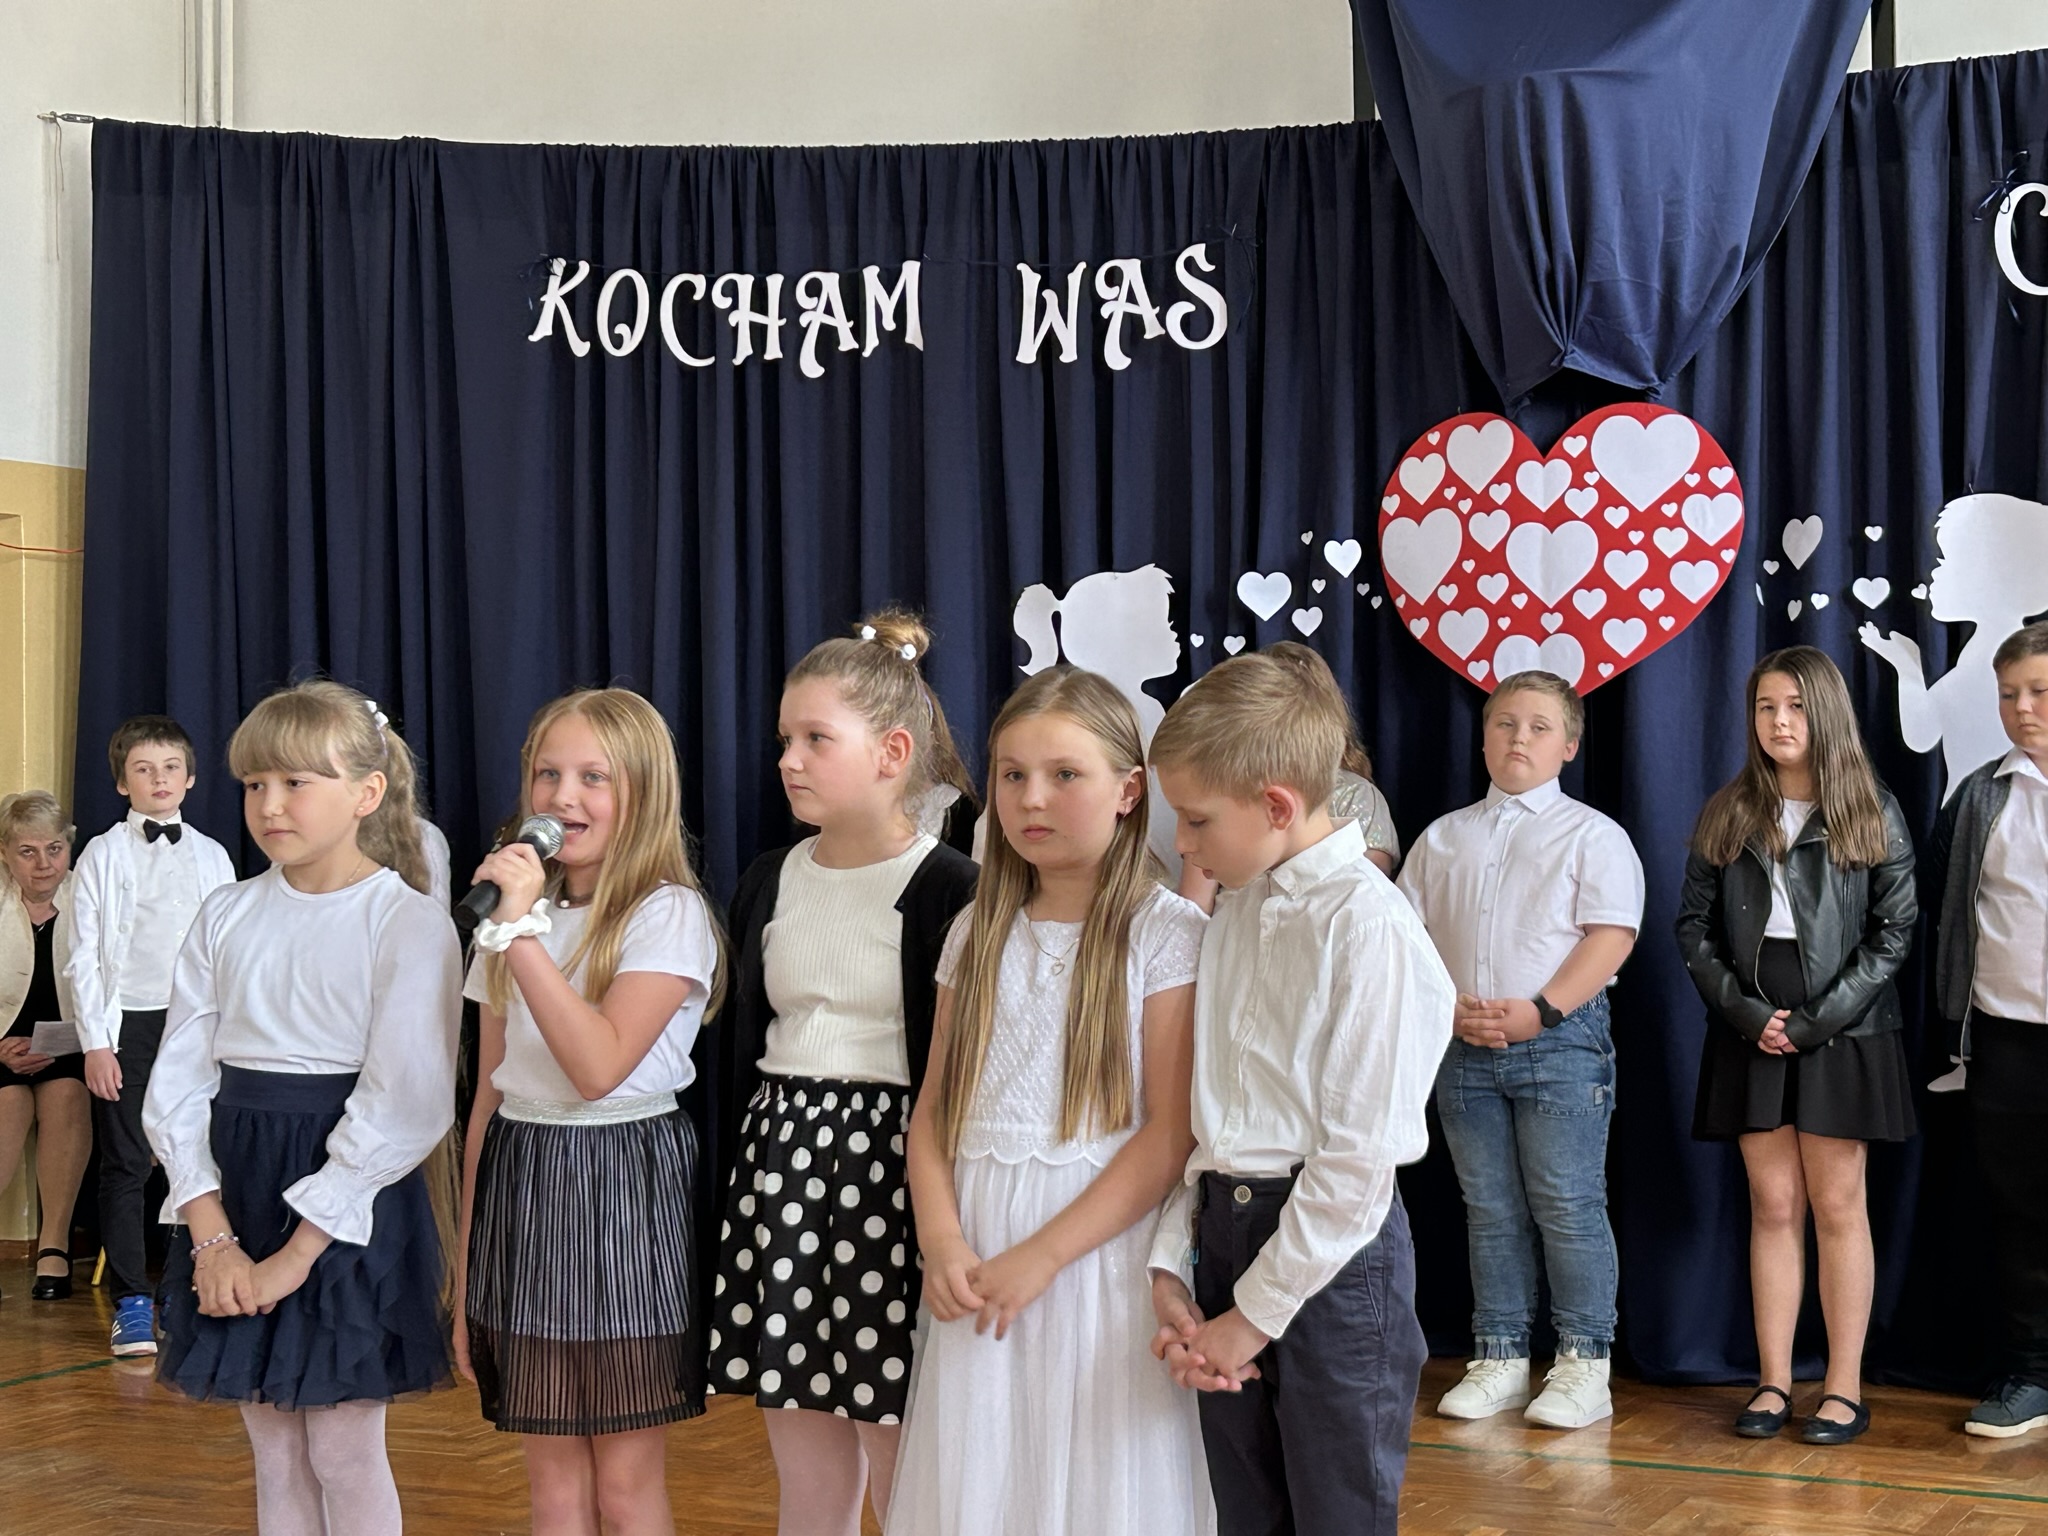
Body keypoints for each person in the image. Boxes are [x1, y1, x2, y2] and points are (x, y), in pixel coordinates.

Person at [890, 666, 1212, 1536]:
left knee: (1097, 1481)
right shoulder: (975, 931)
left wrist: (1044, 1254)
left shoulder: (1167, 932)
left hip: (1097, 1254)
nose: (1032, 798)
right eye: (1013, 774)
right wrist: (942, 1239)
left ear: (1128, 791)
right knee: (987, 1478)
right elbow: (935, 1114)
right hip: (980, 1250)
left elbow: (1168, 1134)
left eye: (1065, 774)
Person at [1145, 648, 1455, 1536]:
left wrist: (1253, 1316)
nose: (1183, 845)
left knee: (1338, 1514)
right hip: (1227, 1235)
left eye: (1197, 821)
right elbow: (1216, 1121)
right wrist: (1174, 1263)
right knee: (1246, 1513)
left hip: (1334, 1261)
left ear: (1276, 806)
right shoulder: (1236, 910)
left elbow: (1356, 1164)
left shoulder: (1370, 927)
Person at [144, 680, 460, 1533]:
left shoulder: (406, 922)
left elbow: (404, 1099)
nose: (270, 805)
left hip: (346, 1197)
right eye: (255, 784)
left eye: (295, 783)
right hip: (237, 1188)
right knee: (276, 1451)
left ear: (366, 792)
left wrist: (294, 1256)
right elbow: (179, 1082)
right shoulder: (226, 913)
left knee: (343, 1452)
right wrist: (212, 1237)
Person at [707, 611, 978, 1536]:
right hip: (779, 1167)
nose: (789, 760)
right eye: (785, 740)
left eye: (816, 739)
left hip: (891, 1180)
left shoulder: (951, 888)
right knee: (805, 1460)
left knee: (901, 1457)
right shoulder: (770, 877)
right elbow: (745, 1044)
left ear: (893, 752)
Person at [455, 688, 724, 1536]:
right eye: (547, 774)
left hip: (624, 1186)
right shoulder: (512, 928)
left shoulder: (667, 914)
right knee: (555, 1489)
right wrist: (466, 1270)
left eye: (592, 778)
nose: (562, 797)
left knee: (624, 1488)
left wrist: (519, 936)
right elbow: (489, 1097)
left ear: (643, 793)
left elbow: (599, 1067)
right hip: (524, 1182)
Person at [1678, 645, 1916, 1445]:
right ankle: (1774, 1381)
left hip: (1844, 1024)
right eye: (1765, 707)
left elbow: (1894, 931)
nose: (1779, 722)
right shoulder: (1729, 811)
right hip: (1750, 1023)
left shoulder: (1869, 809)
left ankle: (1843, 1387)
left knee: (1838, 1205)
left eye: (1795, 707)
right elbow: (1693, 928)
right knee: (1773, 1205)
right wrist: (1749, 1014)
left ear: (1826, 714)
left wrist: (1817, 1020)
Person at [1398, 671, 1644, 1428]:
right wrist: (1447, 1009)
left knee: (1567, 1203)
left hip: (1560, 1043)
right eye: (1504, 723)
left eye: (1539, 726)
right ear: (1482, 738)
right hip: (1463, 1044)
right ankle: (1501, 1355)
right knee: (1490, 1208)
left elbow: (1612, 934)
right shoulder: (1444, 837)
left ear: (1569, 745)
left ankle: (1583, 1364)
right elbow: (1406, 936)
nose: (1518, 738)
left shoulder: (1591, 834)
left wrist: (1542, 1010)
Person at [68, 714, 237, 1356]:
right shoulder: (102, 854)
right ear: (122, 783)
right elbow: (84, 955)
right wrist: (96, 1042)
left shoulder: (213, 855)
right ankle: (132, 1302)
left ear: (189, 779)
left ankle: (182, 1290)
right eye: (143, 769)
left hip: (196, 1022)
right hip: (128, 1025)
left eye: (170, 768)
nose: (159, 779)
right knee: (127, 1161)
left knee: (195, 1156)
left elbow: (231, 950)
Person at [1928, 622, 2048, 1437]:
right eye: (2009, 695)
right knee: (2022, 1212)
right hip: (2009, 1040)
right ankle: (2033, 1373)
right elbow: (1944, 904)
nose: (2022, 708)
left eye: (2038, 691)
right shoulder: (1980, 797)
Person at [1176, 643, 1398, 915]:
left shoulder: (1356, 796)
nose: (1181, 842)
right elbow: (1194, 905)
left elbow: (1364, 897)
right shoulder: (1220, 795)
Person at [0, 791, 91, 1302]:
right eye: (27, 851)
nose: (44, 864)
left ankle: (54, 1244)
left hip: (70, 1048)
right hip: (1, 1051)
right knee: (7, 1106)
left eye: (54, 849)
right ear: (4, 854)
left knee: (67, 1097)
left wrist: (74, 1042)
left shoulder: (89, 898)